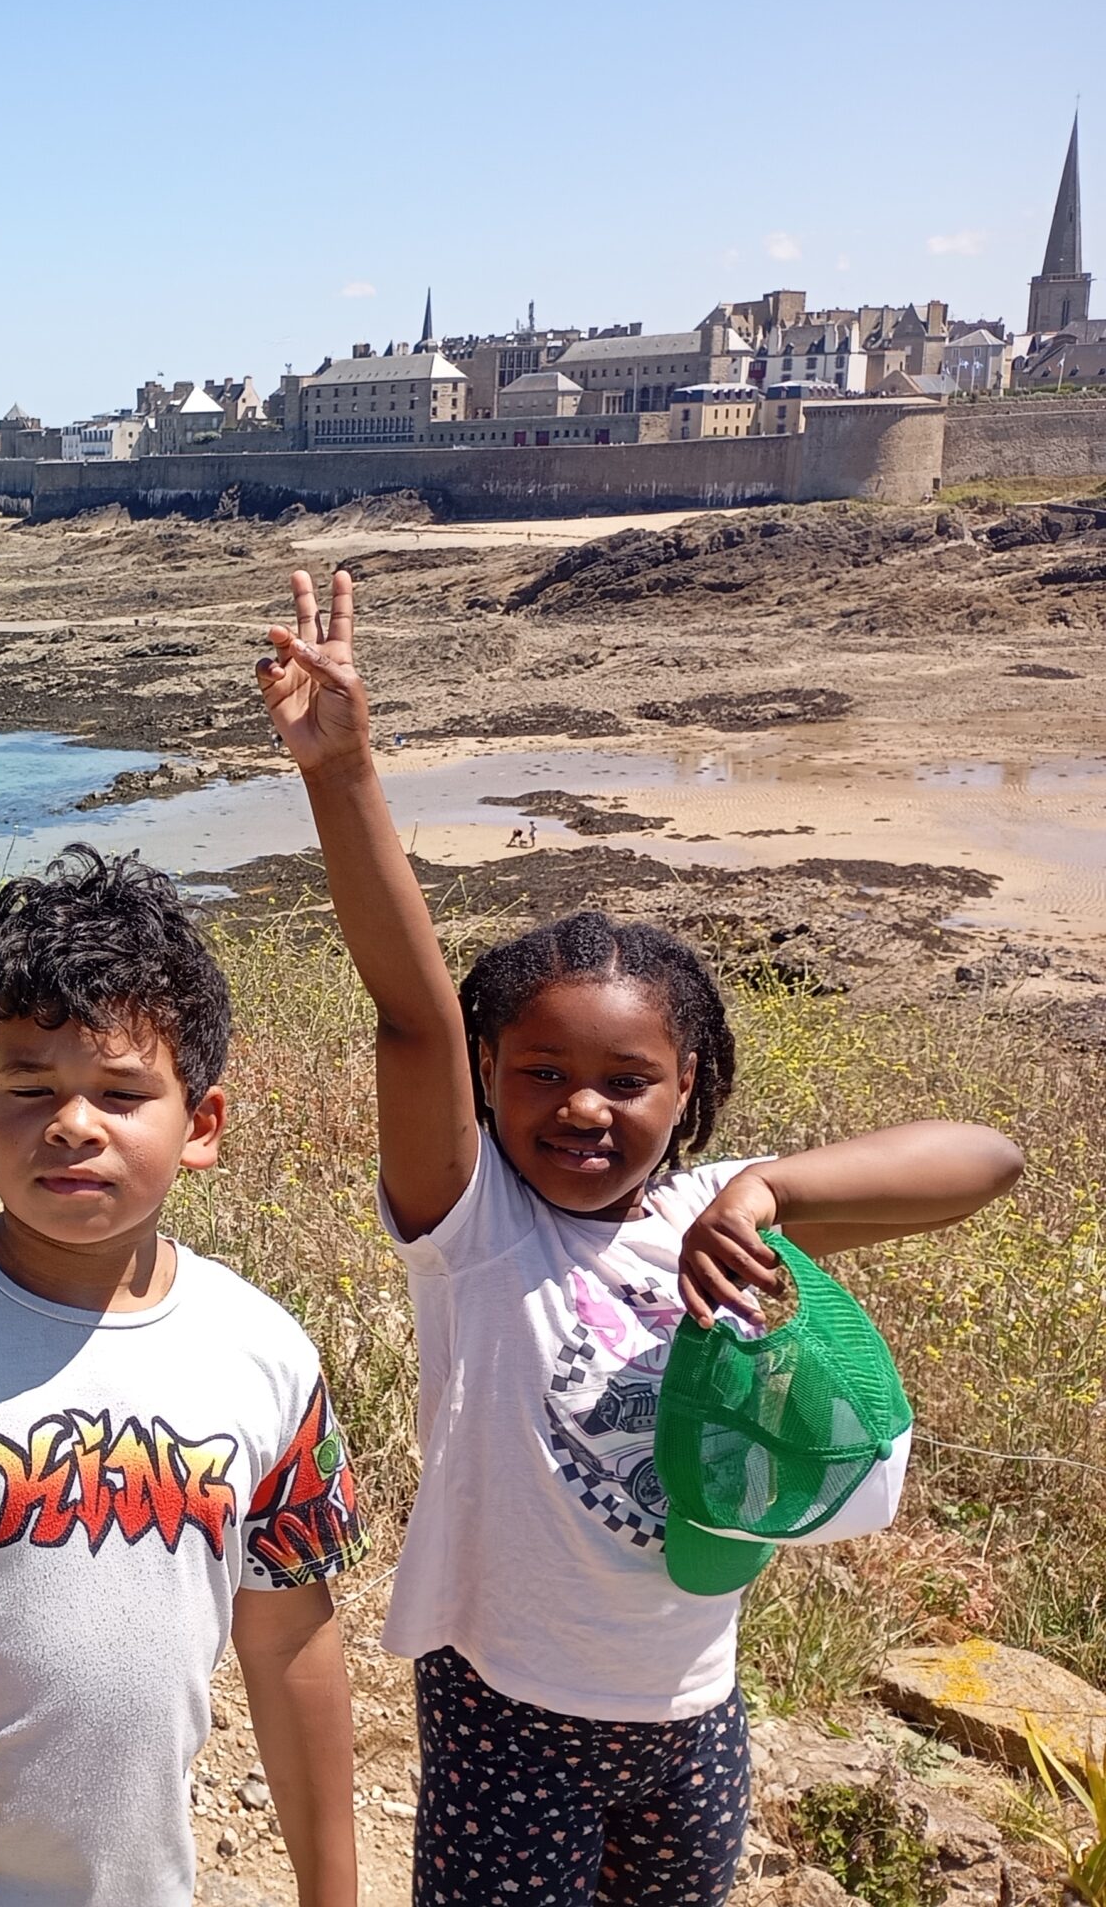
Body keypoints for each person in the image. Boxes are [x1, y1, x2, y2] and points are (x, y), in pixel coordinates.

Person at [258, 567, 1024, 1906]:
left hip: (696, 1703)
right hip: (508, 1709)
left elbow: (985, 1160)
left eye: (627, 1080)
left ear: (690, 1087)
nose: (581, 1107)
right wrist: (342, 772)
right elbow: (414, 1015)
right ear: (488, 1079)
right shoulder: (474, 1226)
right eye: (541, 1072)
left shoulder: (711, 1210)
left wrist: (764, 1191)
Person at [0, 846, 367, 1907]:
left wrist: (333, 1892)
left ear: (201, 1125)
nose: (73, 1124)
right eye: (31, 1087)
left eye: (123, 1091)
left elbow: (289, 1634)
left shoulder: (267, 1352)